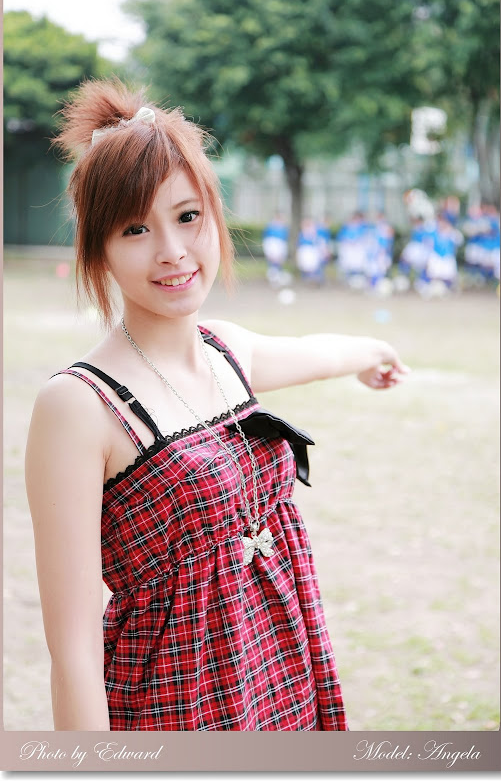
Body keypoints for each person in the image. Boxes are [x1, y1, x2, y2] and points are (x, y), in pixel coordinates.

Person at [25, 78, 411, 732]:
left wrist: (373, 352)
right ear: (99, 248)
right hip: (177, 711)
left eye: (188, 216)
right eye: (135, 228)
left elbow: (316, 352)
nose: (173, 251)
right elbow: (73, 652)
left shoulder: (227, 350)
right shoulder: (78, 406)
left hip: (282, 679)